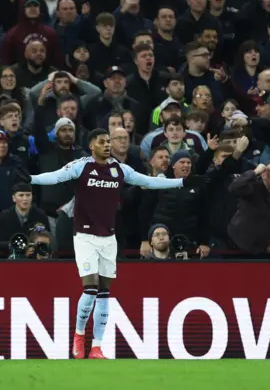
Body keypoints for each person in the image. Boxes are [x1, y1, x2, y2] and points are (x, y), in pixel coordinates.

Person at [16, 128, 206, 359]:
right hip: (85, 236)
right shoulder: (81, 166)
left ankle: (97, 346)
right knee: (90, 288)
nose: (107, 145)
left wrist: (180, 183)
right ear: (91, 146)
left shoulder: (119, 169)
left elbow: (147, 181)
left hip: (109, 237)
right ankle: (78, 336)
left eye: (109, 141)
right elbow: (56, 176)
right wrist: (32, 179)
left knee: (105, 292)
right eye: (102, 142)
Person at [228, 162, 270, 256]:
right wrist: (254, 172)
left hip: (265, 247)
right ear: (263, 175)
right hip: (240, 244)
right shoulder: (253, 187)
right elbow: (233, 188)